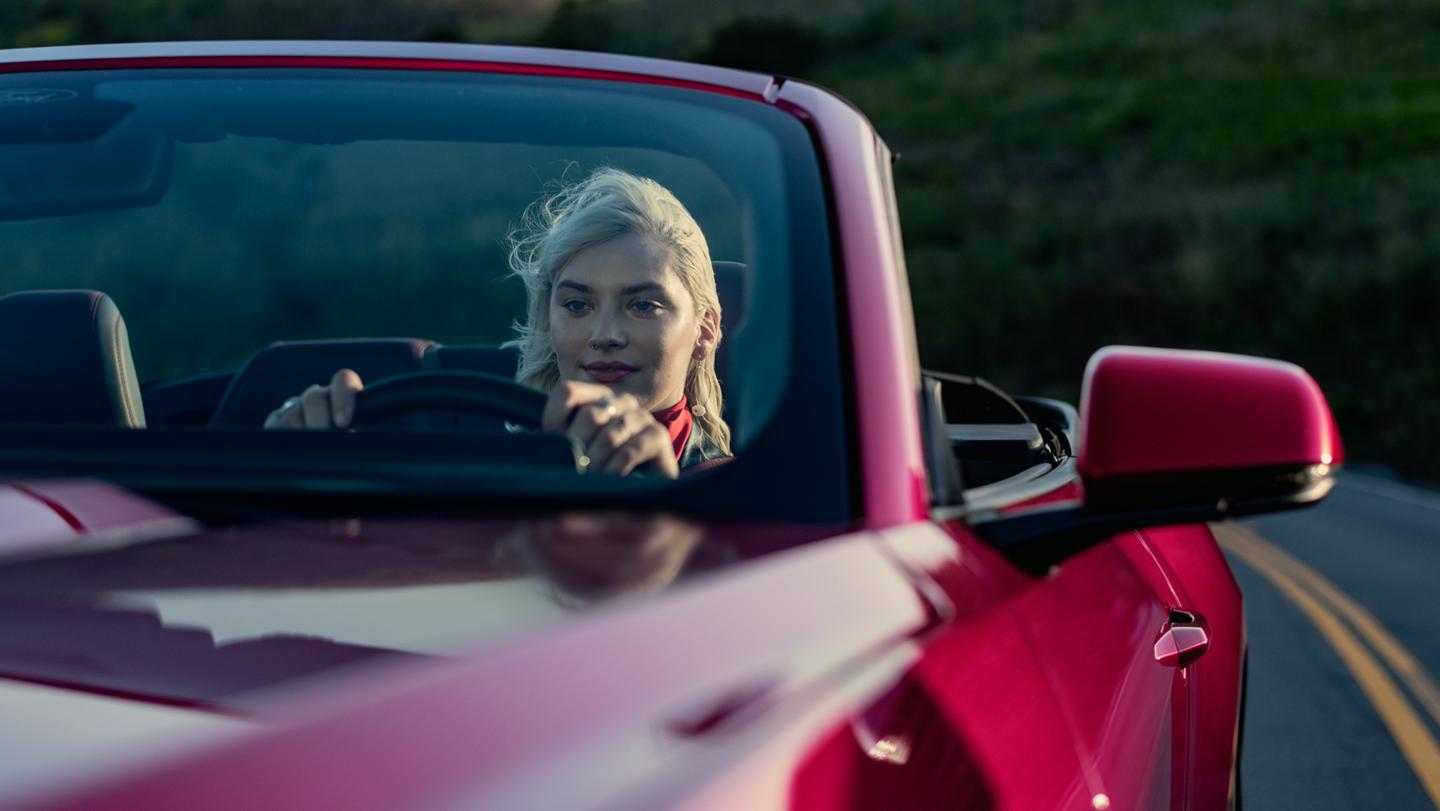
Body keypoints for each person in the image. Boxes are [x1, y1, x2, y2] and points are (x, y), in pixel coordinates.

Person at [263, 168, 732, 477]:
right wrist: (312, 471)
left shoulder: (744, 491)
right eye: (576, 305)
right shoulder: (481, 465)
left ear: (705, 329)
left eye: (643, 306)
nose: (604, 335)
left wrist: (667, 499)